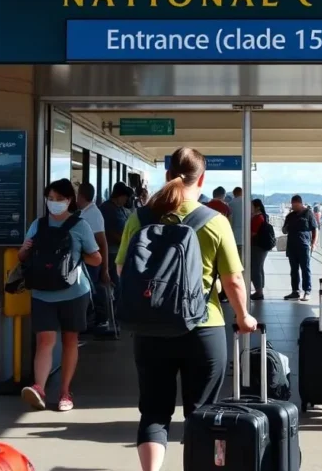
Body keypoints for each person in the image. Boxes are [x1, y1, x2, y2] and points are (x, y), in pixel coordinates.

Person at [117, 147, 256, 471]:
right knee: (202, 413)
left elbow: (123, 269)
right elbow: (233, 280)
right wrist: (243, 316)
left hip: (150, 329)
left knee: (154, 412)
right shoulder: (215, 221)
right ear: (202, 179)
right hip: (203, 327)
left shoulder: (140, 218)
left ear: (168, 176)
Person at [19, 179, 102, 412]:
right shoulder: (40, 225)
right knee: (49, 340)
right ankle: (40, 388)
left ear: (69, 200)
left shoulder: (77, 225)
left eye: (59, 199)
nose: (53, 203)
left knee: (65, 340)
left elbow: (97, 258)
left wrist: (75, 256)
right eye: (50, 198)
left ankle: (64, 391)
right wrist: (25, 250)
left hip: (69, 293)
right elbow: (22, 256)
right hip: (47, 292)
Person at [78, 182, 113, 334]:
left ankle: (100, 321)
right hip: (86, 260)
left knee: (95, 290)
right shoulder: (84, 213)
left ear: (81, 196)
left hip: (92, 262)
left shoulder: (93, 214)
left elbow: (102, 242)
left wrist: (105, 269)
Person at [282, 195, 318, 301]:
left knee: (305, 269)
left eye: (294, 204)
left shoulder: (308, 213)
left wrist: (313, 243)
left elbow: (315, 229)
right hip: (292, 246)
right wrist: (287, 226)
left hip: (304, 245)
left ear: (300, 203)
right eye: (292, 204)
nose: (293, 206)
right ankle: (295, 291)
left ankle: (307, 291)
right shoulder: (290, 216)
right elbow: (284, 230)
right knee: (294, 270)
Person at [249, 198, 269, 300]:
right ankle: (260, 289)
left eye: (251, 206)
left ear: (256, 207)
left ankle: (259, 291)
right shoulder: (262, 216)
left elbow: (253, 233)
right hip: (261, 246)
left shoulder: (258, 218)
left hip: (257, 246)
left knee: (255, 268)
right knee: (259, 267)